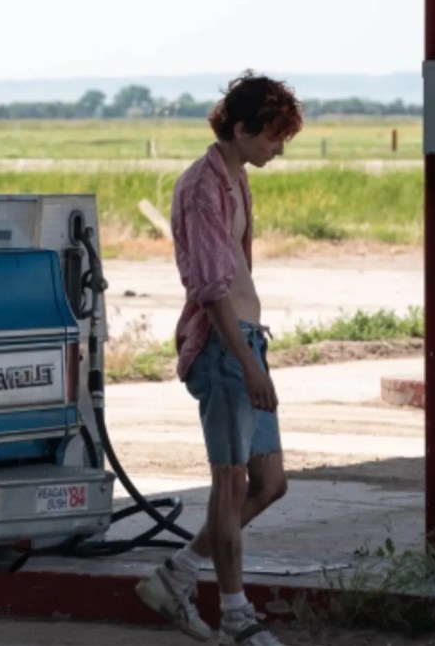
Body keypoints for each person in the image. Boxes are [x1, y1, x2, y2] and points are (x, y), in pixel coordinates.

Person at [135, 71, 303, 646]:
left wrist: (255, 354)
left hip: (248, 341)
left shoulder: (235, 178)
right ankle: (236, 615)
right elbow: (210, 290)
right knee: (230, 485)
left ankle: (175, 576)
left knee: (270, 482)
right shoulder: (201, 187)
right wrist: (248, 364)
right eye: (273, 136)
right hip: (223, 348)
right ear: (241, 128)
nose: (279, 148)